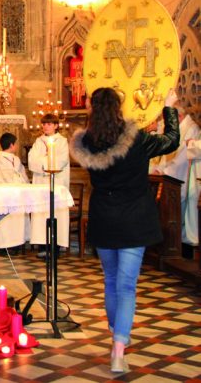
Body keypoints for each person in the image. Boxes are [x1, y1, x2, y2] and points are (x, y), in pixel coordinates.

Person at [69, 87, 179, 373]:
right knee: (126, 285)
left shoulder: (86, 143)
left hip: (104, 217)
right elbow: (171, 140)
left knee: (110, 280)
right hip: (134, 218)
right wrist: (169, 108)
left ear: (92, 108)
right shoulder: (137, 139)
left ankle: (116, 330)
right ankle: (118, 349)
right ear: (118, 107)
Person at [151, 105, 200, 252]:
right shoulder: (181, 126)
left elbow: (182, 156)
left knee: (181, 215)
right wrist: (160, 168)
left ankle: (178, 249)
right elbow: (167, 153)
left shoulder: (191, 128)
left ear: (178, 116)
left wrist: (164, 171)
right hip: (174, 175)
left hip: (181, 176)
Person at [28, 113, 70, 254]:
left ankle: (55, 247)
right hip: (40, 184)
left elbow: (61, 161)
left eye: (49, 124)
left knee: (56, 213)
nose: (46, 126)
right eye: (44, 124)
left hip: (57, 183)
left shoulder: (62, 141)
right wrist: (46, 161)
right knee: (41, 214)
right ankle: (42, 246)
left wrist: (42, 161)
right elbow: (31, 161)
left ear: (56, 126)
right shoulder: (38, 142)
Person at [0, 133, 30, 251]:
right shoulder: (0, 159)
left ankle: (17, 243)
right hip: (5, 195)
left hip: (17, 194)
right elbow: (7, 176)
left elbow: (22, 174)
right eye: (16, 144)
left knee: (17, 220)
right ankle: (4, 246)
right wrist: (18, 180)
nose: (17, 146)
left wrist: (25, 184)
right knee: (6, 222)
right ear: (11, 145)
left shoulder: (16, 159)